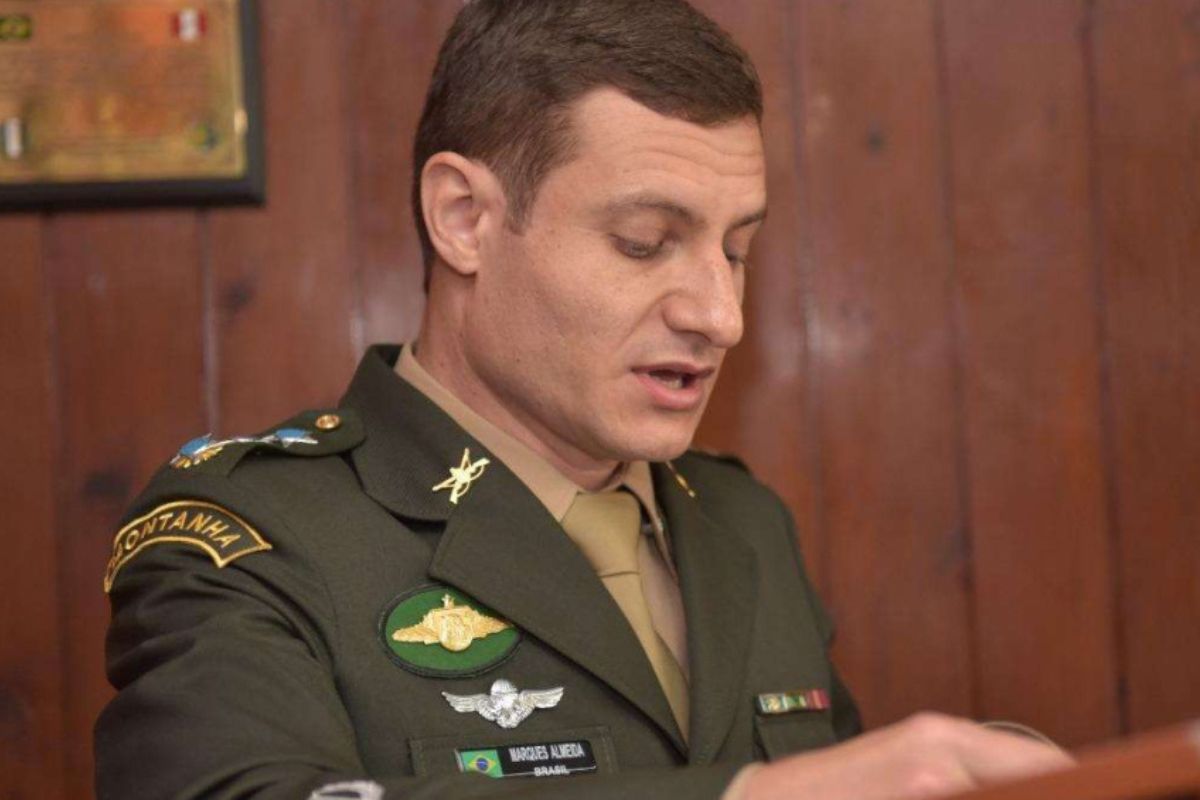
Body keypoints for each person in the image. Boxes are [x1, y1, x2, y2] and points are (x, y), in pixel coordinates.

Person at [95, 1, 1072, 798]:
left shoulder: (742, 523)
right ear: (464, 218)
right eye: (646, 242)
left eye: (737, 249)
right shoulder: (258, 537)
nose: (721, 316)